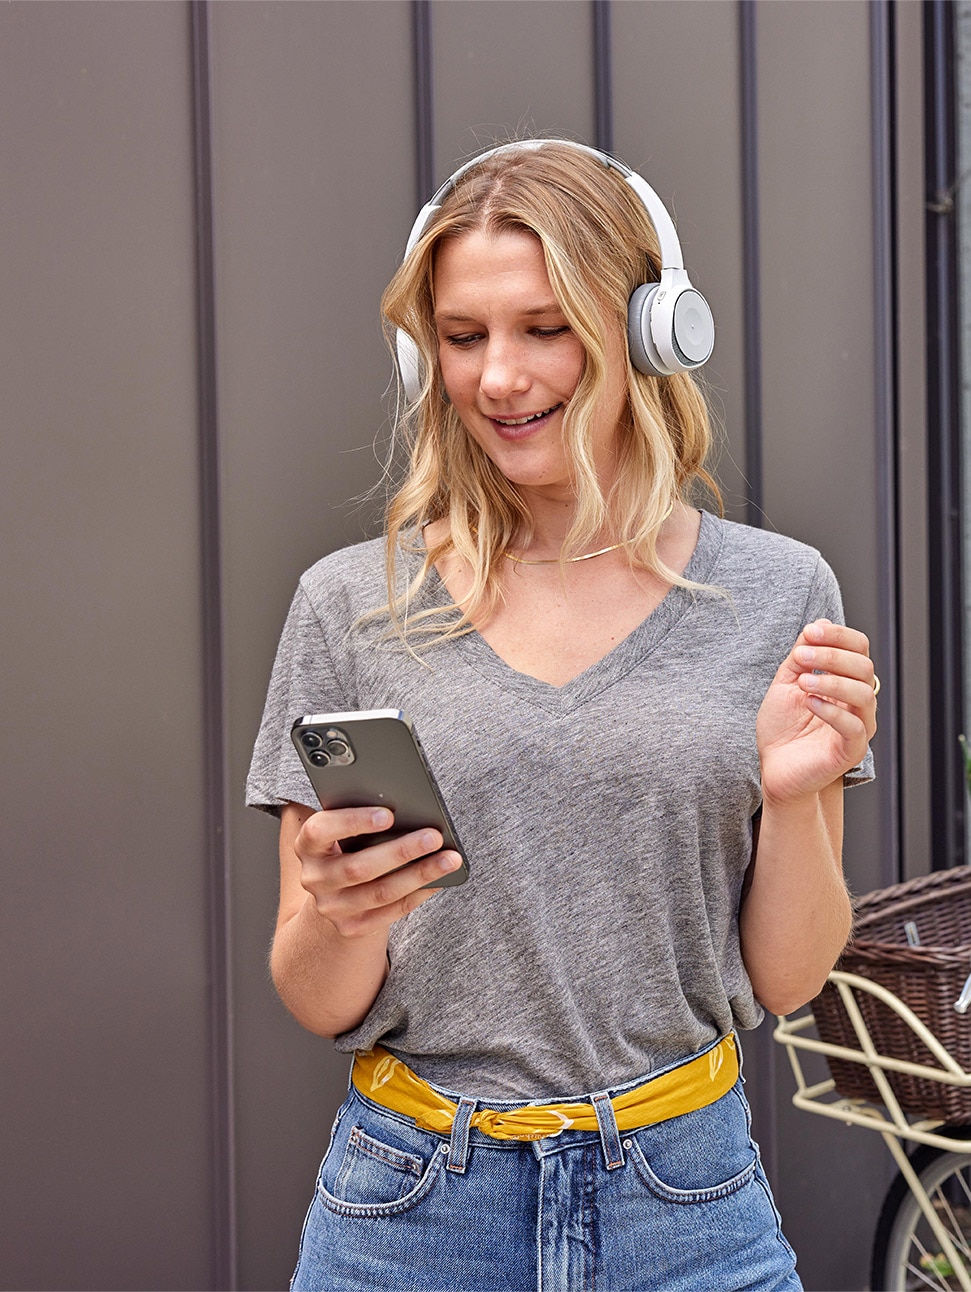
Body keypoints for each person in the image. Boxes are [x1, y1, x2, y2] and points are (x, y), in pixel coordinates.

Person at [247, 138, 878, 1292]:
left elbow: (787, 979)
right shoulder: (352, 603)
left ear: (650, 332)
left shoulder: (779, 593)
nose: (497, 376)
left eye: (545, 328)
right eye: (461, 335)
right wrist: (336, 911)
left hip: (684, 1205)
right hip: (411, 1210)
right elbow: (317, 993)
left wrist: (790, 801)